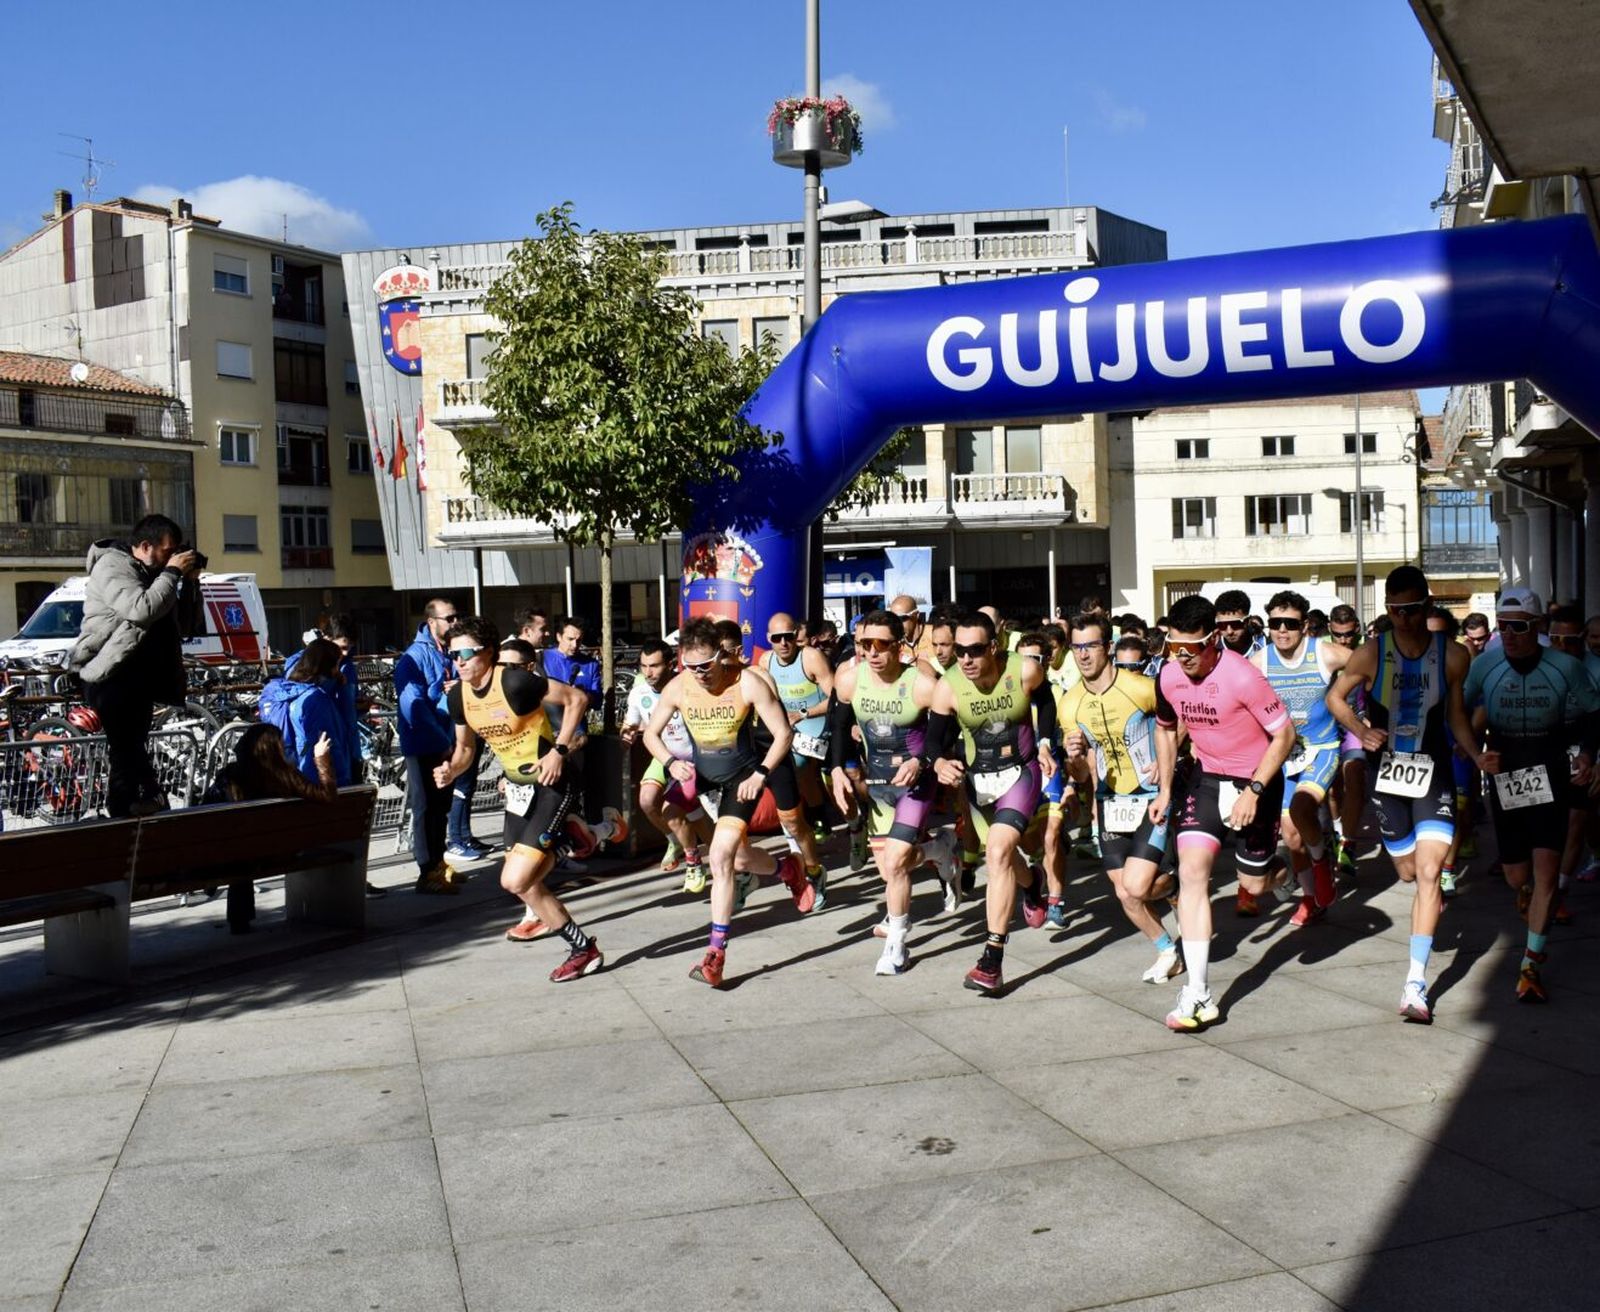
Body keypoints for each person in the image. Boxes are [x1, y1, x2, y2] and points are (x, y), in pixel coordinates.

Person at [1327, 565, 1488, 1023]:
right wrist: (1361, 730)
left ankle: (1415, 983)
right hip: (1388, 773)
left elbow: (1456, 715)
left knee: (1430, 871)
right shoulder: (1371, 653)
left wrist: (1475, 756)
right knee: (1406, 870)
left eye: (1413, 611)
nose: (1404, 620)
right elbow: (1336, 698)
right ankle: (1420, 920)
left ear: (1427, 606)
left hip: (1433, 769)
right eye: (1395, 612)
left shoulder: (1454, 655)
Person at [434, 617, 618, 982]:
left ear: (487, 653)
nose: (459, 661)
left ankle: (574, 842)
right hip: (518, 791)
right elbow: (465, 750)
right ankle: (578, 842)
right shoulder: (458, 696)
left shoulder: (515, 682)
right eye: (453, 655)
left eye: (466, 653)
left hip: (553, 784)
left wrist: (559, 752)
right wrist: (452, 770)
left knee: (514, 880)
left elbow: (577, 699)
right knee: (525, 881)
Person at [1151, 593, 1297, 1031]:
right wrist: (1163, 788)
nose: (1182, 658)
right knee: (1193, 874)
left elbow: (1284, 736)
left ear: (1213, 639)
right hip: (1207, 778)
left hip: (1256, 782)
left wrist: (1254, 789)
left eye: (1190, 650)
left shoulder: (1243, 677)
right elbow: (1164, 729)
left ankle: (1283, 875)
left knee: (1252, 881)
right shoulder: (1169, 675)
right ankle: (1197, 993)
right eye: (1173, 648)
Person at [642, 619, 814, 988]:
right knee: (737, 857)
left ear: (721, 656)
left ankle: (715, 955)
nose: (700, 674)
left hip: (742, 780)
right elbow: (650, 734)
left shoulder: (747, 682)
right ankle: (787, 870)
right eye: (691, 667)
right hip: (704, 780)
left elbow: (783, 732)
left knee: (720, 857)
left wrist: (761, 774)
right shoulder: (678, 688)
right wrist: (672, 763)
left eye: (706, 666)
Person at [1463, 590, 1598, 1002]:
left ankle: (1530, 964)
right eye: (1503, 627)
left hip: (1550, 772)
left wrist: (1589, 755)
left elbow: (1595, 713)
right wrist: (1474, 751)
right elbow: (1457, 710)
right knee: (1516, 876)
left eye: (1519, 626)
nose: (1510, 635)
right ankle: (1528, 898)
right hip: (1506, 772)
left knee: (1545, 871)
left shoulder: (1565, 666)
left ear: (1537, 627)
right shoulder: (1486, 664)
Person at [926, 610, 1059, 995]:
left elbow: (1046, 701)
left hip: (1021, 771)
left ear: (994, 646)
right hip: (977, 780)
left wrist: (1046, 741)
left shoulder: (1023, 670)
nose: (965, 658)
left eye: (975, 650)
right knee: (1003, 856)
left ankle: (992, 959)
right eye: (960, 650)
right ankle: (1033, 882)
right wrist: (938, 762)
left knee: (999, 851)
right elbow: (935, 738)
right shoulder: (948, 686)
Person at [827, 609, 957, 975]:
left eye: (881, 644)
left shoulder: (921, 682)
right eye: (864, 643)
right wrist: (837, 768)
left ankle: (896, 944)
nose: (871, 652)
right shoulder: (850, 679)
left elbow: (946, 727)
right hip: (878, 782)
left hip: (916, 780)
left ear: (898, 646)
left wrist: (924, 760)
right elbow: (838, 726)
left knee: (897, 859)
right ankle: (938, 848)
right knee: (890, 867)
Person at [1058, 612, 1180, 984]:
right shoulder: (1070, 704)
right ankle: (1167, 950)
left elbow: (1180, 721)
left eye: (1090, 646)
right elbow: (1081, 775)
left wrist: (1166, 762)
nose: (1082, 655)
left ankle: (1177, 885)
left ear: (1107, 647)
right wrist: (1075, 759)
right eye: (1076, 647)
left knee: (1139, 886)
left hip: (1150, 797)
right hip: (1109, 803)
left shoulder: (1141, 687)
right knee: (1126, 893)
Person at [69, 513, 201, 817]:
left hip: (138, 678)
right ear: (144, 545)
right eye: (170, 551)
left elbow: (185, 625)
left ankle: (130, 811)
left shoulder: (155, 574)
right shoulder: (112, 566)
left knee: (128, 752)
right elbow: (140, 609)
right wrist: (170, 574)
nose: (175, 558)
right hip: (108, 674)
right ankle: (139, 805)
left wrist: (190, 584)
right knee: (127, 749)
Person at [1251, 591, 1352, 925]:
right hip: (1283, 755)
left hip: (1321, 750)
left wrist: (1364, 714)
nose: (1282, 630)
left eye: (1290, 624)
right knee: (1292, 836)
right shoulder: (1260, 661)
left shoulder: (1325, 653)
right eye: (1275, 623)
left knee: (1302, 809)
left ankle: (1322, 863)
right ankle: (1311, 898)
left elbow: (1371, 664)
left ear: (1305, 625)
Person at [204, 722, 337, 931]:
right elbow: (327, 795)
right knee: (245, 848)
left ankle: (238, 919)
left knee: (240, 849)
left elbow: (206, 813)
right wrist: (321, 758)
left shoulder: (231, 776)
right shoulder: (287, 777)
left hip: (238, 855)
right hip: (282, 852)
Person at [623, 639, 712, 893]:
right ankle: (676, 842)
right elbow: (630, 725)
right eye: (643, 666)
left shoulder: (687, 686)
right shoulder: (639, 692)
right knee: (647, 802)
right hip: (664, 757)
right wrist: (627, 734)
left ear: (671, 664)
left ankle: (704, 862)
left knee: (684, 814)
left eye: (654, 666)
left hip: (693, 761)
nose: (648, 672)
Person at [395, 598, 464, 895]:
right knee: (426, 807)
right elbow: (415, 704)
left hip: (446, 740)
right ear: (431, 621)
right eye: (448, 618)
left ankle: (438, 862)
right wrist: (441, 740)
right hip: (426, 743)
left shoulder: (448, 652)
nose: (454, 623)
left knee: (441, 806)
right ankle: (427, 870)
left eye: (456, 617)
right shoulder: (415, 656)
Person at [259, 638, 358, 787]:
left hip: (295, 772)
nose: (338, 670)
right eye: (337, 664)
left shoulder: (287, 692)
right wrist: (343, 781)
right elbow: (328, 745)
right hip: (321, 780)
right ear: (327, 666)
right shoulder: (316, 700)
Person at [1212, 589, 1261, 657]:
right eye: (1222, 625)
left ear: (1247, 621)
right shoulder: (1213, 650)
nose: (1229, 632)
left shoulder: (1263, 646)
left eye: (1235, 624)